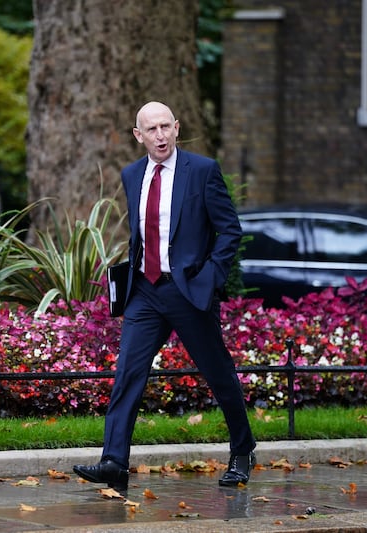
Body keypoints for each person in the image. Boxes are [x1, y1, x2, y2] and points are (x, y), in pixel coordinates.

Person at [73, 101, 256, 493]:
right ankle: (114, 462)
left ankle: (243, 450)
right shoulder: (131, 174)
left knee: (218, 373)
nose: (160, 136)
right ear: (138, 135)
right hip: (145, 292)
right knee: (127, 373)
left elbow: (230, 231)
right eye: (150, 130)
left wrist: (210, 278)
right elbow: (142, 232)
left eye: (165, 127)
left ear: (176, 127)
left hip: (189, 291)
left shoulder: (202, 171)